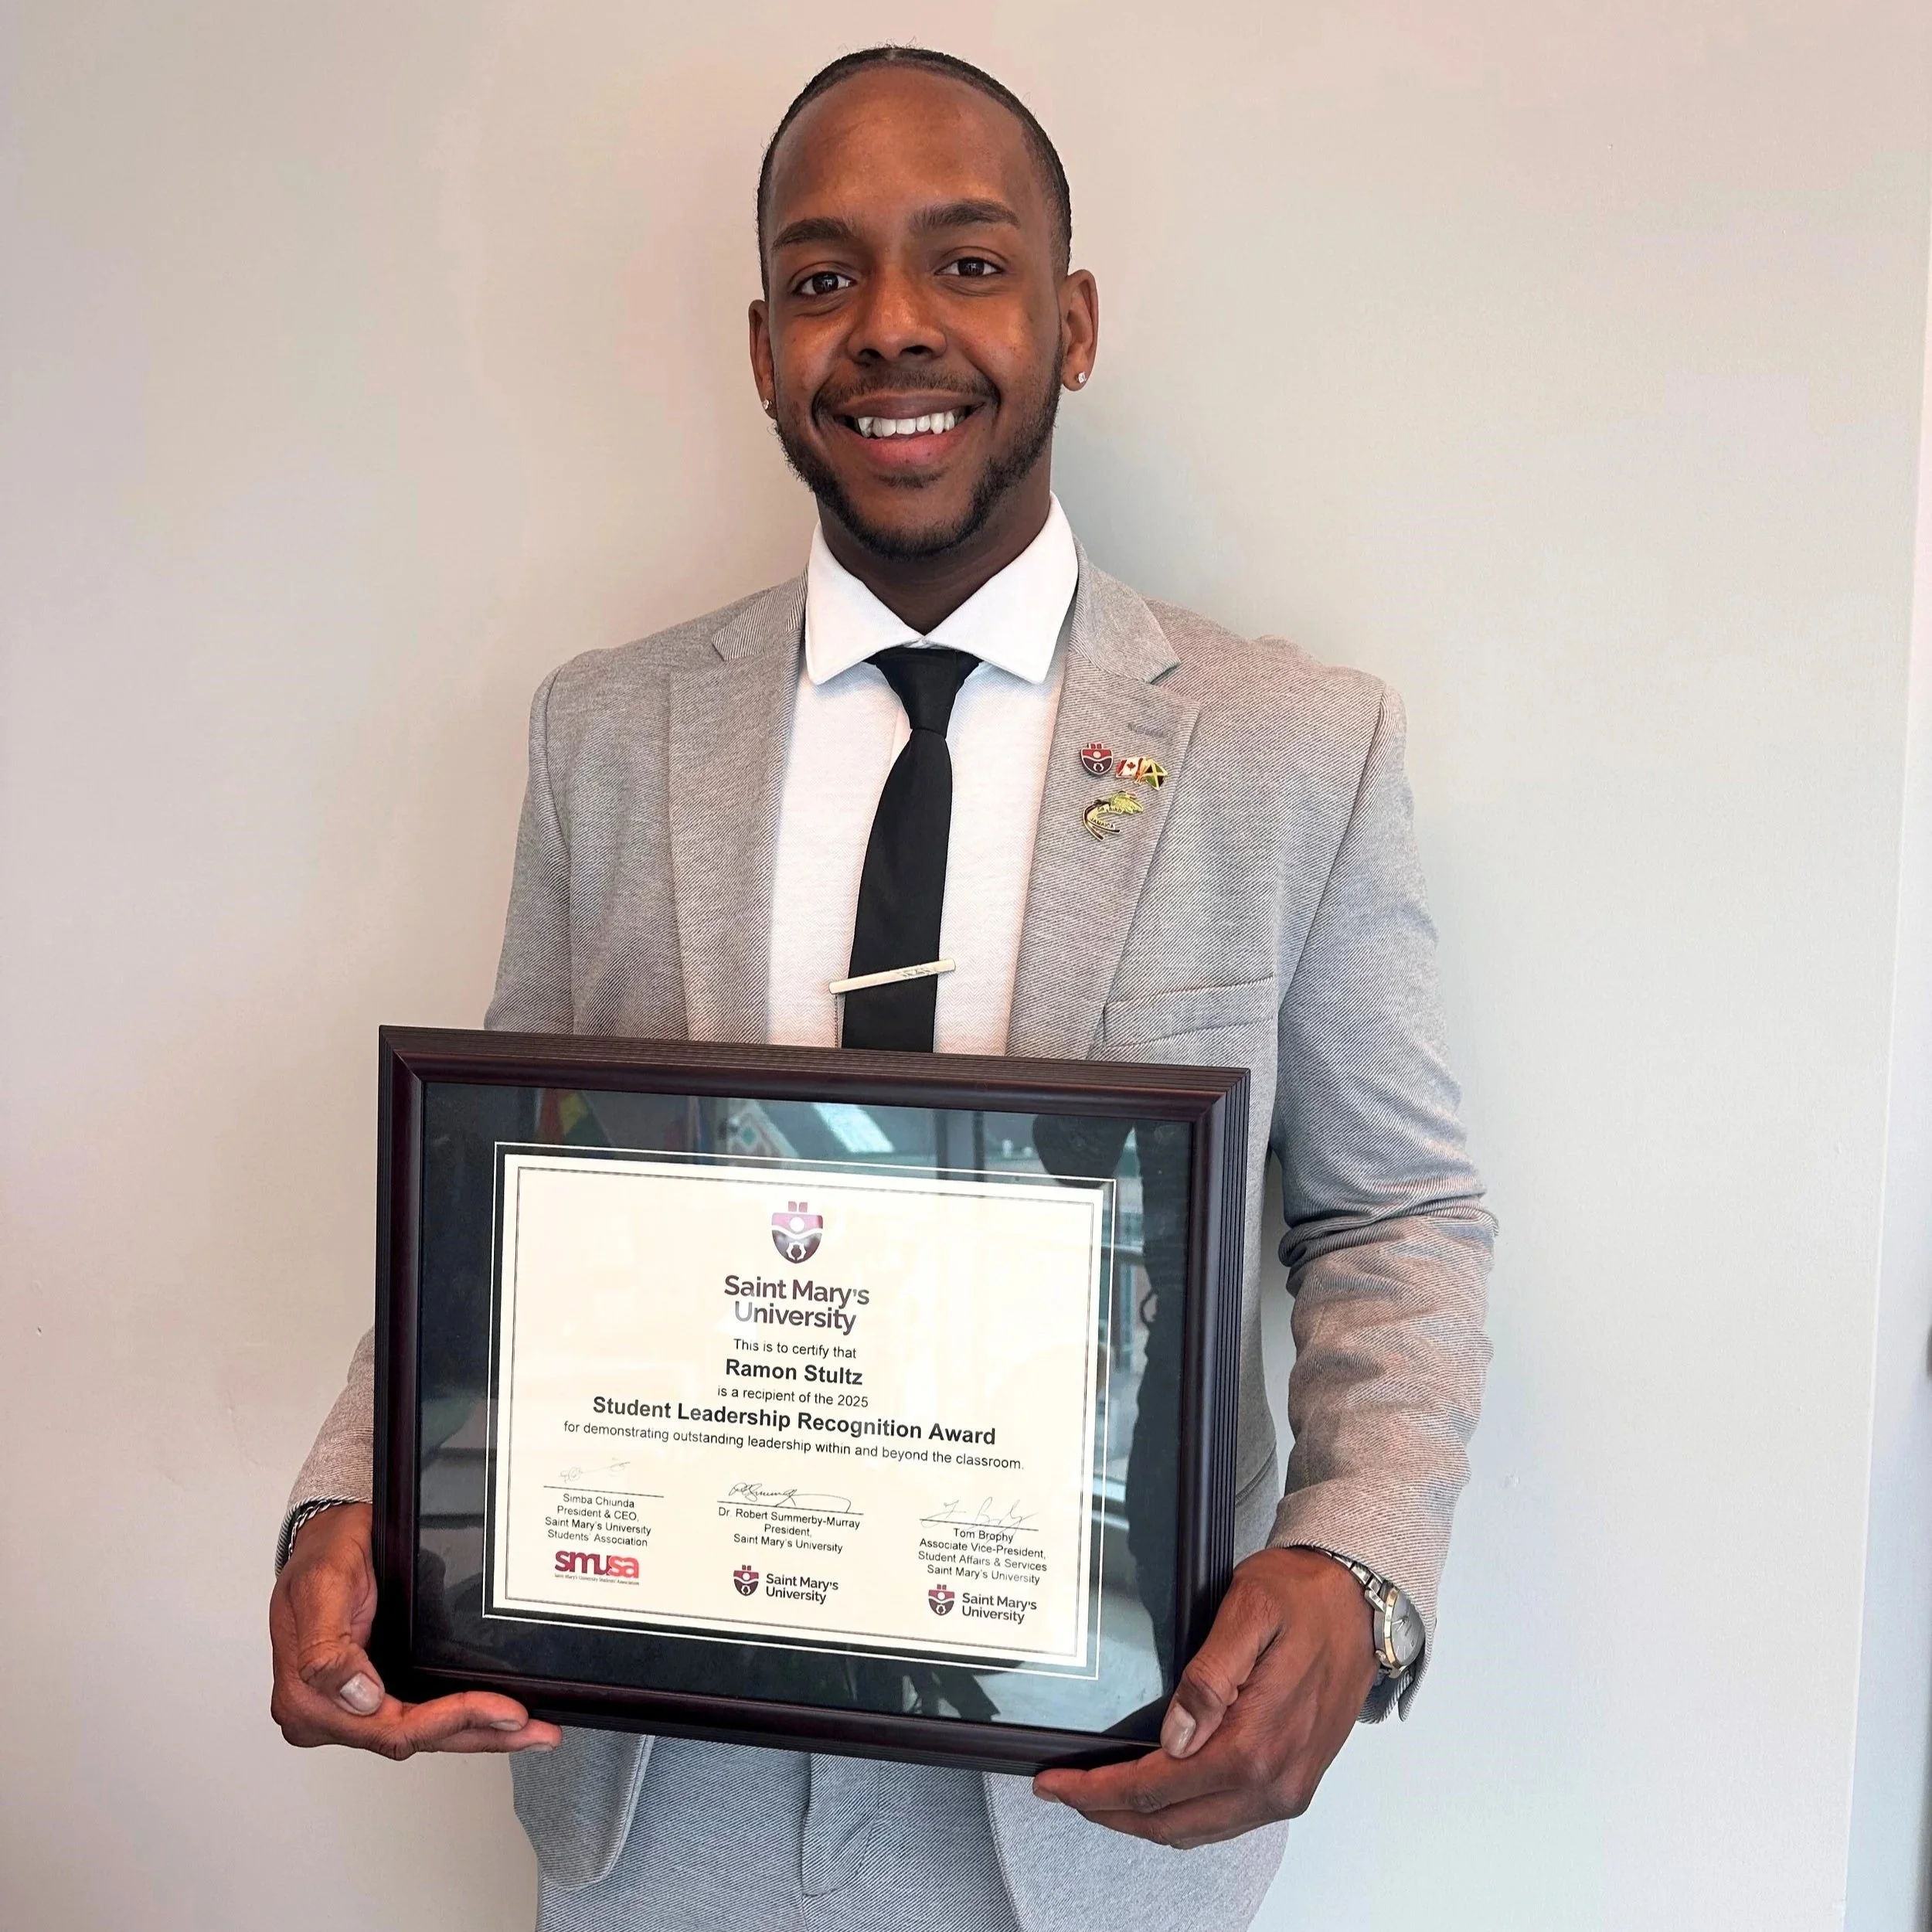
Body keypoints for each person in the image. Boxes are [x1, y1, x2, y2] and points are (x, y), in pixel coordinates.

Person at [269, 44, 1493, 1932]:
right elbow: (498, 1196)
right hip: (659, 1766)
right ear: (762, 345)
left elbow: (1391, 1214)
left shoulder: (1288, 747)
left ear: (1069, 323)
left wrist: (1358, 1567)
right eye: (824, 278)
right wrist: (337, 1499)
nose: (891, 330)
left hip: (1094, 1787)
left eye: (969, 264)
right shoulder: (606, 731)